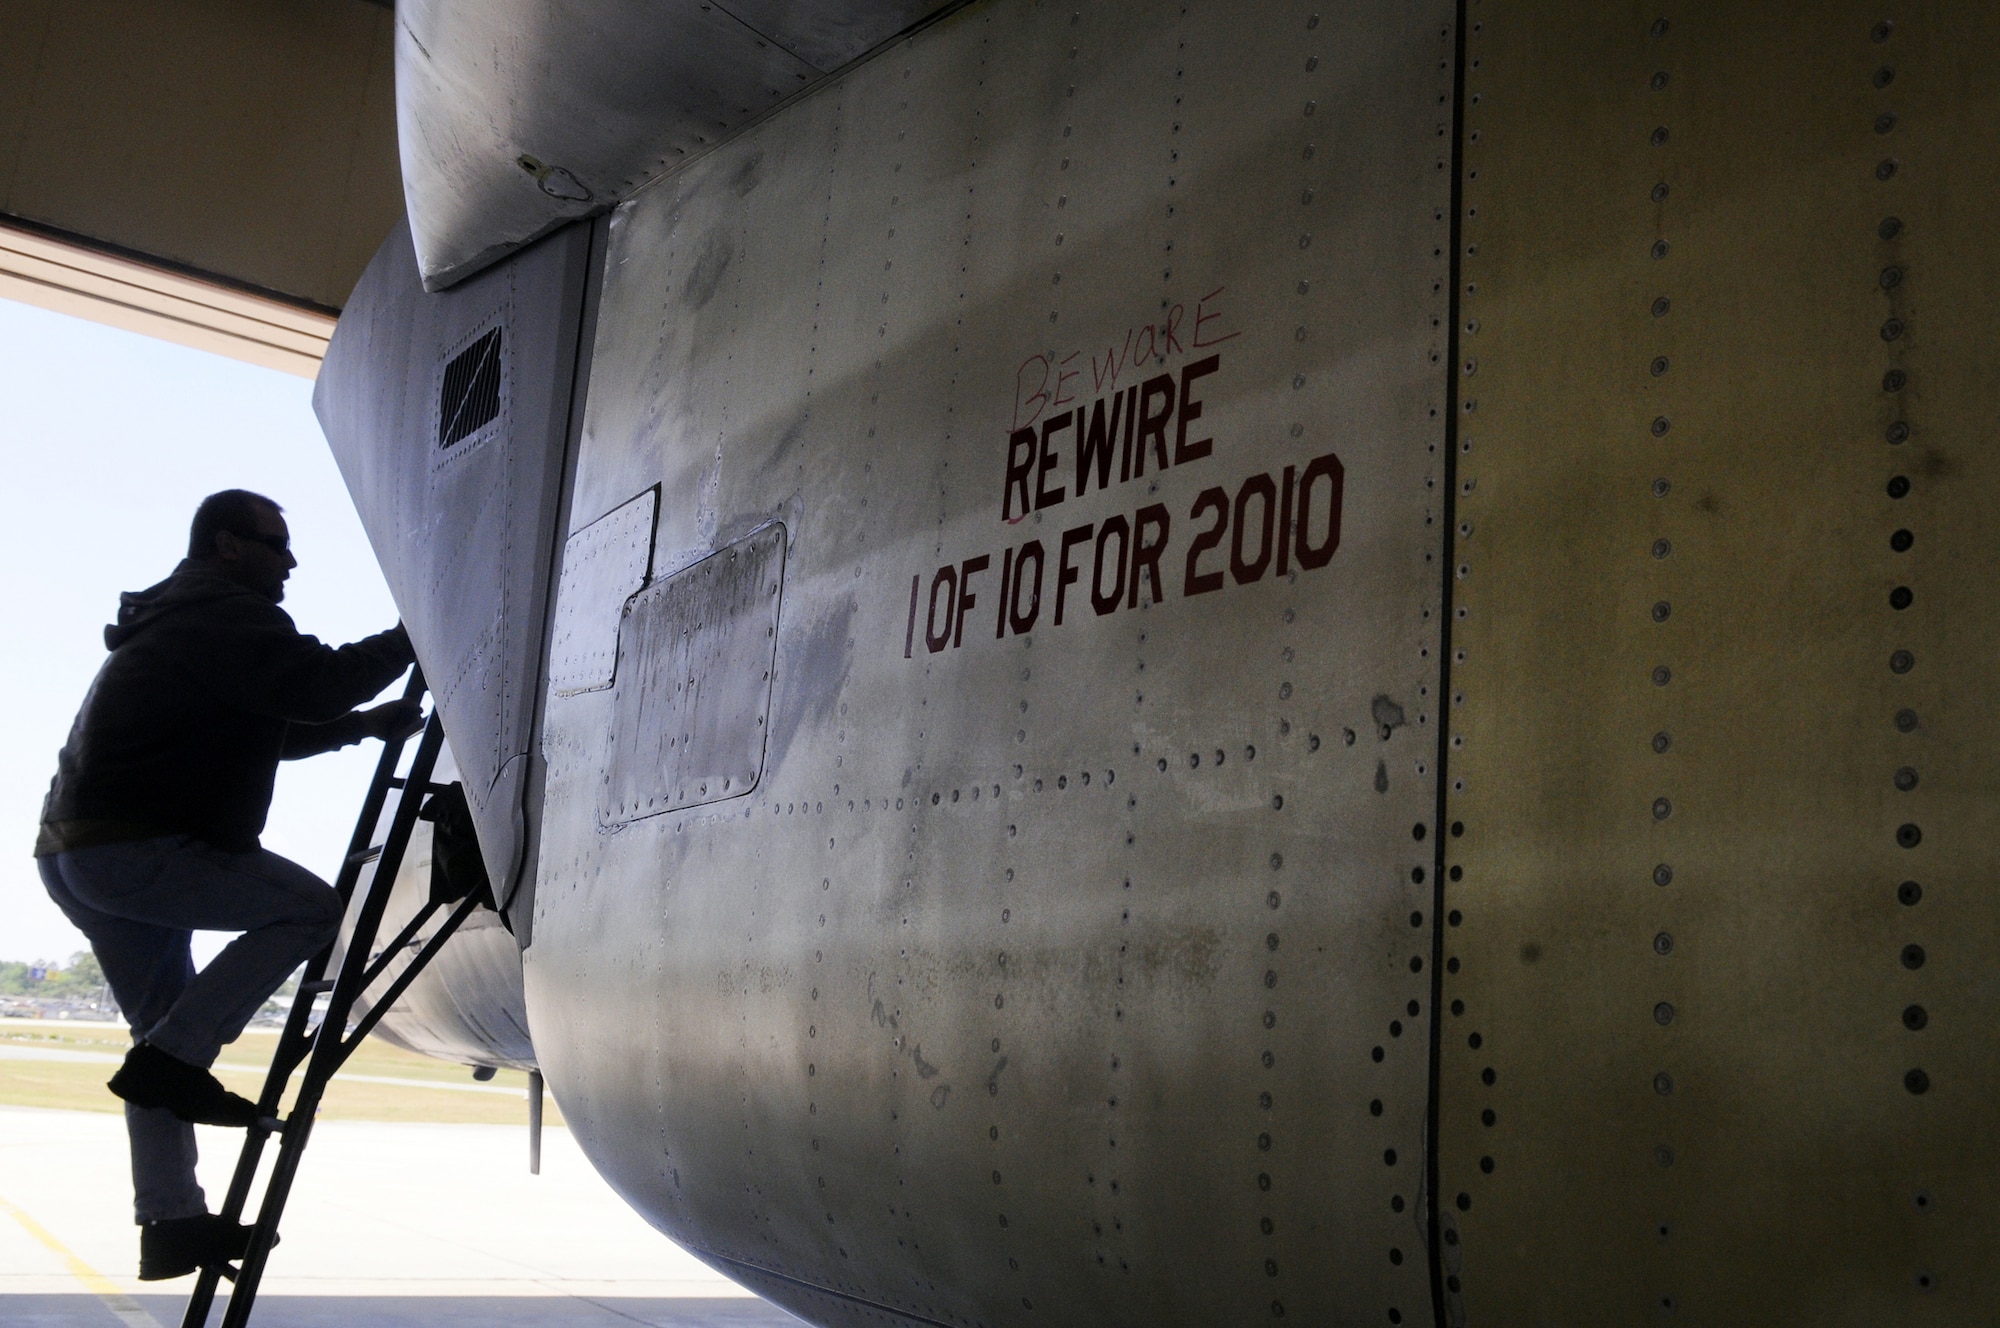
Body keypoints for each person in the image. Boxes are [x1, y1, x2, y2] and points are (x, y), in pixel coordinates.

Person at [33, 489, 421, 1281]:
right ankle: (178, 1063)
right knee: (310, 910)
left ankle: (171, 1223)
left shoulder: (183, 619)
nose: (291, 560)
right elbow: (314, 683)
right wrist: (415, 637)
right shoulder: (226, 613)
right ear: (227, 546)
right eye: (275, 544)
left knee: (156, 1041)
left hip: (78, 854)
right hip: (135, 848)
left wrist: (359, 727)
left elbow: (272, 724)